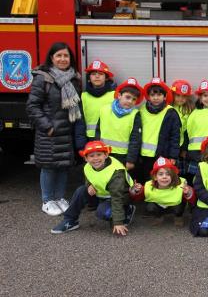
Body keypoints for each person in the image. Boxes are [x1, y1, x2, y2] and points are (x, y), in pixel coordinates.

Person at [27, 42, 83, 216]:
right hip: (50, 132)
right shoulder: (43, 78)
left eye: (66, 56)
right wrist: (47, 127)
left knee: (63, 166)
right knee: (49, 167)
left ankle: (59, 198)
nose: (62, 59)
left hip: (67, 131)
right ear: (51, 58)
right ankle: (47, 200)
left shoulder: (74, 78)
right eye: (58, 55)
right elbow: (32, 106)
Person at [51, 141, 135, 235]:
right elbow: (90, 178)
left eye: (99, 154)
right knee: (81, 191)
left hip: (120, 197)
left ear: (106, 155)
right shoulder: (87, 166)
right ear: (86, 158)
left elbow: (117, 197)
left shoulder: (116, 172)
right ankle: (70, 220)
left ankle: (127, 209)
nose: (95, 159)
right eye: (91, 156)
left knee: (102, 212)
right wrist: (89, 185)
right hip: (103, 195)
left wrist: (118, 222)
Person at [130, 156, 195, 227]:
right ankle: (158, 216)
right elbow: (138, 197)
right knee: (150, 207)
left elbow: (192, 200)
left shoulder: (180, 185)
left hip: (174, 206)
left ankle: (178, 216)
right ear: (155, 177)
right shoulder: (149, 186)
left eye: (168, 174)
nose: (164, 177)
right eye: (161, 174)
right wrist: (137, 190)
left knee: (181, 204)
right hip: (159, 207)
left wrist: (188, 192)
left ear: (172, 176)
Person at [95, 77, 143, 173]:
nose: (130, 101)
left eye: (134, 99)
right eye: (127, 97)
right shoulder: (104, 109)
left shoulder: (135, 114)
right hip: (104, 154)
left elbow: (135, 140)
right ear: (119, 95)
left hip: (123, 157)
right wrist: (96, 152)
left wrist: (131, 160)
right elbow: (97, 132)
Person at [139, 78, 181, 182]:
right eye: (152, 95)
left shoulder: (171, 112)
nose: (156, 98)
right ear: (148, 97)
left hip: (162, 155)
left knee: (161, 182)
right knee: (146, 182)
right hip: (143, 156)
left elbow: (175, 136)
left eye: (159, 95)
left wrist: (173, 156)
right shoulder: (142, 110)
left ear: (165, 96)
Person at [80, 60, 116, 140]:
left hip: (109, 137)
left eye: (100, 74)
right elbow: (80, 122)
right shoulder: (83, 96)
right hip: (89, 139)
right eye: (93, 74)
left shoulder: (114, 95)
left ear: (106, 78)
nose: (97, 76)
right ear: (89, 78)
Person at [170, 79, 195, 167]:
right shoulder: (168, 108)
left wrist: (184, 148)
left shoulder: (189, 110)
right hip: (170, 145)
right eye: (178, 95)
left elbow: (188, 131)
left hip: (182, 145)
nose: (181, 99)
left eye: (184, 96)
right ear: (172, 95)